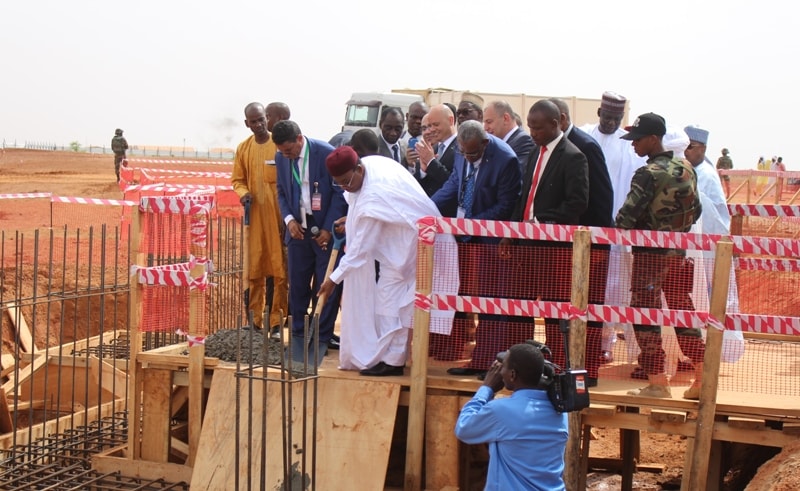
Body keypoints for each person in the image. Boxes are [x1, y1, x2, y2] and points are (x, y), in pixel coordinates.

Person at [317, 146, 455, 376]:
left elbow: (360, 250)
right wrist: (351, 220)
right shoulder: (372, 164)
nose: (345, 188)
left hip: (415, 248)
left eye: (346, 181)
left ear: (358, 169)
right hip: (401, 245)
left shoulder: (374, 195)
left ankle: (394, 362)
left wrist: (333, 280)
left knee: (395, 306)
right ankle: (392, 359)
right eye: (338, 184)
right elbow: (360, 210)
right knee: (390, 305)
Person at [615, 112, 704, 399]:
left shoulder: (648, 174)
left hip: (650, 257)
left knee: (644, 314)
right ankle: (702, 379)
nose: (633, 145)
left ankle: (657, 381)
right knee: (683, 311)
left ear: (654, 139)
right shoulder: (687, 168)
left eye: (638, 139)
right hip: (677, 253)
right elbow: (697, 210)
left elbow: (625, 219)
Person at [503, 100, 589, 381]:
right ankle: (520, 368)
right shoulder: (533, 154)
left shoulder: (574, 156)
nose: (532, 132)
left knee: (555, 312)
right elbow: (523, 196)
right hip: (525, 248)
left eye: (538, 127)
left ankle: (559, 370)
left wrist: (541, 224)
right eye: (530, 127)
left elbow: (577, 204)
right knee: (519, 308)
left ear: (555, 124)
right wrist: (512, 234)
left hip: (553, 250)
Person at [432, 120, 521, 375]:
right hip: (467, 240)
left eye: (473, 153)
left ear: (485, 143)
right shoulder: (462, 155)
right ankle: (480, 360)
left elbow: (506, 205)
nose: (468, 158)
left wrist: (471, 225)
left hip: (493, 243)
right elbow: (453, 185)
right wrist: (425, 208)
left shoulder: (506, 160)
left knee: (493, 306)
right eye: (463, 152)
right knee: (474, 301)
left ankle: (493, 366)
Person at [579, 91, 647, 366]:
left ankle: (605, 343)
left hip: (614, 230)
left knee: (612, 287)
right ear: (598, 113)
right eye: (606, 116)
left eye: (616, 118)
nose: (610, 122)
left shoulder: (627, 146)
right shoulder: (585, 136)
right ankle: (579, 340)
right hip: (584, 225)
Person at [548, 97, 613, 384]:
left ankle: (586, 371)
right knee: (556, 310)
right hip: (557, 250)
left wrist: (592, 246)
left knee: (585, 310)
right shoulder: (549, 148)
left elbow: (602, 201)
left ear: (560, 120)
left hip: (586, 248)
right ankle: (557, 366)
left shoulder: (585, 147)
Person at [273, 120, 347, 363]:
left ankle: (321, 335)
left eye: (289, 151)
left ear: (299, 139)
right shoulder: (282, 158)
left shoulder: (324, 153)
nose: (287, 156)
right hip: (298, 232)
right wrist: (289, 219)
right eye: (282, 153)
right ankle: (297, 332)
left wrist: (328, 228)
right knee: (297, 282)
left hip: (324, 230)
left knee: (325, 283)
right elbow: (282, 192)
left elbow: (339, 193)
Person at [454, 343, 567, 491]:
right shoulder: (560, 411)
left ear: (512, 375)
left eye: (504, 367)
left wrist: (486, 388)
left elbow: (463, 429)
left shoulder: (501, 410)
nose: (500, 372)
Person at [231, 103, 287, 337]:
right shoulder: (243, 148)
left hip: (278, 220)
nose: (259, 124)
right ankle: (254, 322)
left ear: (267, 119)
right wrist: (244, 194)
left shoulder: (279, 145)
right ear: (247, 124)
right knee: (254, 271)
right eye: (253, 121)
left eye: (261, 119)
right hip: (253, 220)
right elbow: (237, 179)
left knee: (279, 271)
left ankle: (276, 322)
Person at [414, 105, 458, 210]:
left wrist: (431, 162)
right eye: (430, 125)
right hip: (428, 214)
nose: (432, 130)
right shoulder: (431, 148)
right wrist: (422, 171)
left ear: (451, 121)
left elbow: (455, 185)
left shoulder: (461, 148)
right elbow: (416, 187)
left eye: (436, 124)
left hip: (448, 215)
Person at [482, 100, 534, 166]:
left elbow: (515, 173)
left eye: (489, 122)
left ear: (506, 118)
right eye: (484, 123)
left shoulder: (523, 141)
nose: (485, 128)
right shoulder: (494, 143)